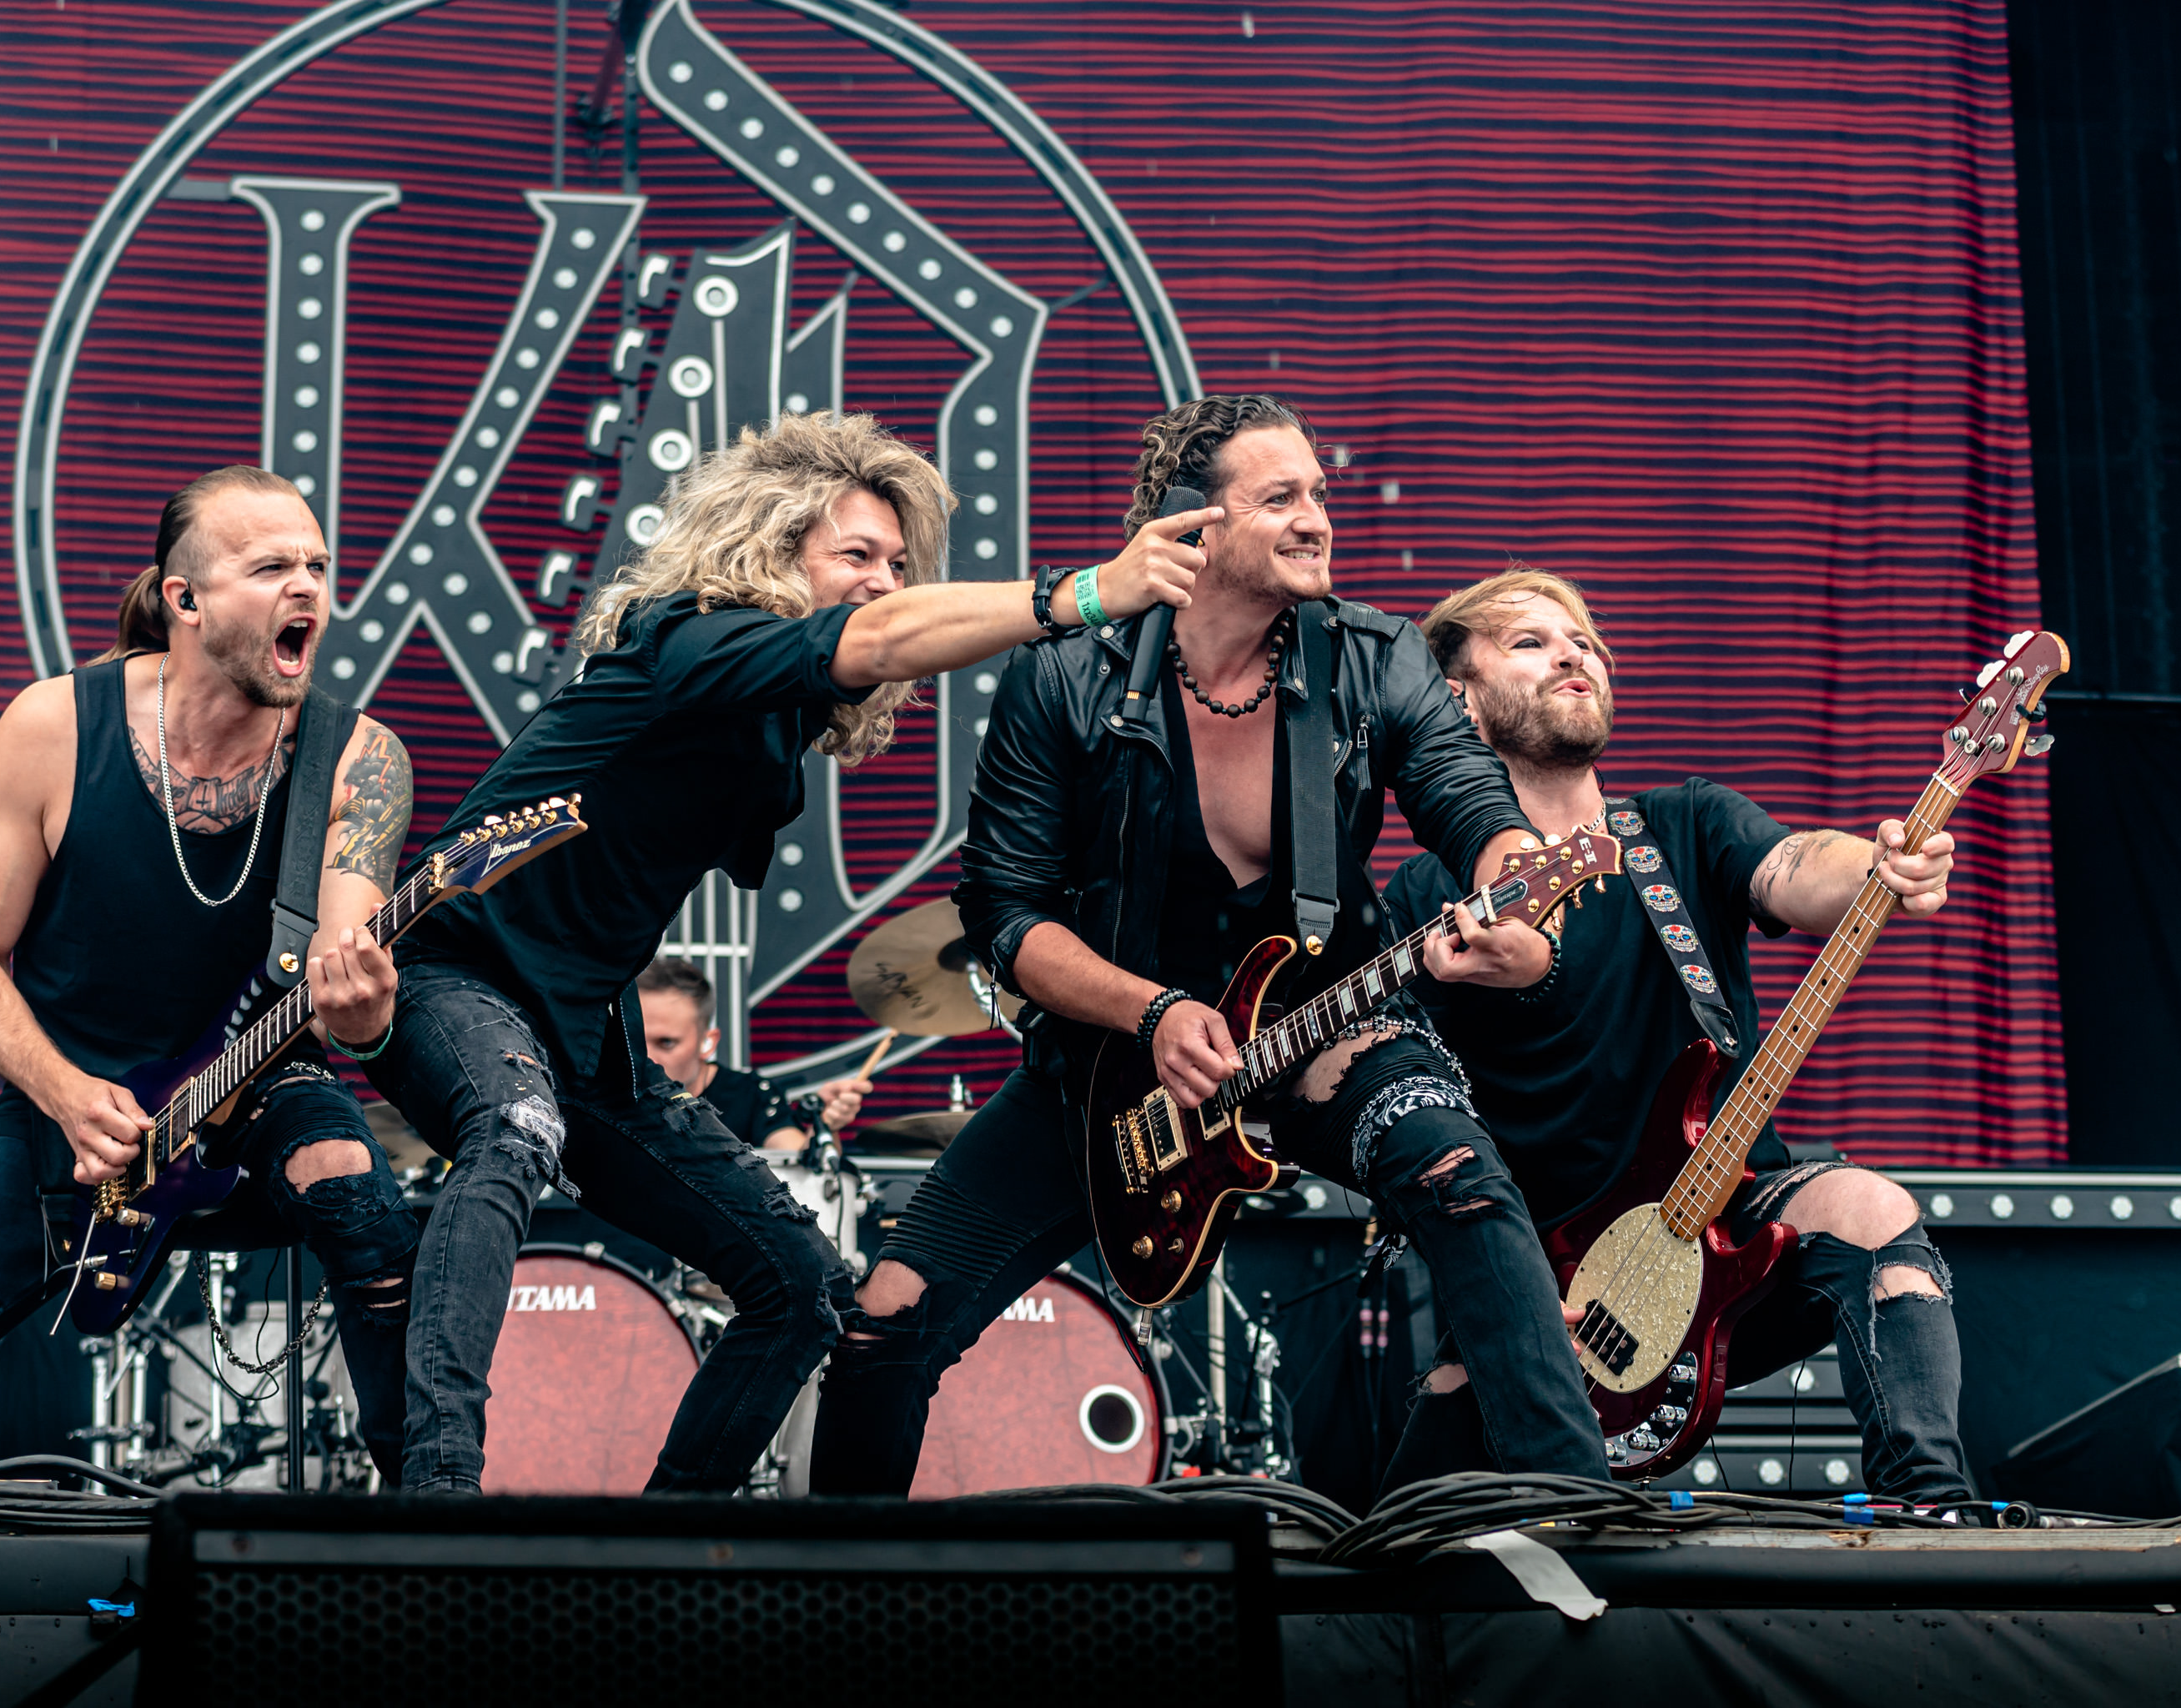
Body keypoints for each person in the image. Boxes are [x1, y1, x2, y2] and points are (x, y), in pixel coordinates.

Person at [364, 411, 1205, 1494]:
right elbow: (879, 641)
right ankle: (437, 1496)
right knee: (514, 1127)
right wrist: (1086, 593)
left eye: (897, 564)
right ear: (767, 548)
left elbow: (865, 651)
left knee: (803, 1288)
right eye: (855, 554)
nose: (883, 582)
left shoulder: (776, 719)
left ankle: (672, 1546)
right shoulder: (685, 640)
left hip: (583, 1036)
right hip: (453, 977)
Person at [807, 394, 1610, 1496]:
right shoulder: (1066, 673)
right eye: (1280, 498)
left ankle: (1571, 1513)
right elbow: (1003, 913)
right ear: (1192, 524)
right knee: (881, 1325)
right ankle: (843, 1583)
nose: (1316, 518)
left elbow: (1472, 804)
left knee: (1461, 1177)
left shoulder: (1376, 658)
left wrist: (1517, 896)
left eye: (1319, 492)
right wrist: (1148, 1011)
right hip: (1105, 1068)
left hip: (1326, 1029)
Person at [0, 466, 421, 1479]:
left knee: (351, 1182)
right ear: (184, 598)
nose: (308, 586)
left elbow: (343, 977)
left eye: (318, 565)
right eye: (272, 566)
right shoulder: (53, 727)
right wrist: (63, 1093)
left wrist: (362, 1015)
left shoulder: (360, 759)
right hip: (70, 1105)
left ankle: (431, 1505)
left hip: (259, 1083)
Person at [1377, 565, 1969, 1505]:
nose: (1574, 655)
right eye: (1531, 641)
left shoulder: (1681, 827)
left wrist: (1880, 861)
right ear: (1459, 700)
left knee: (1871, 1209)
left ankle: (1930, 1505)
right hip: (1547, 1282)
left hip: (1715, 1226)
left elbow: (1797, 865)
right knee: (1416, 1535)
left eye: (1585, 642)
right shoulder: (1420, 901)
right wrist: (1509, 1284)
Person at [634, 957, 869, 1150]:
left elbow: (799, 1166)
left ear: (707, 1043)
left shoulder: (749, 1095)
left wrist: (825, 1124)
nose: (647, 1058)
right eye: (634, 1041)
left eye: (666, 1043)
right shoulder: (614, 1094)